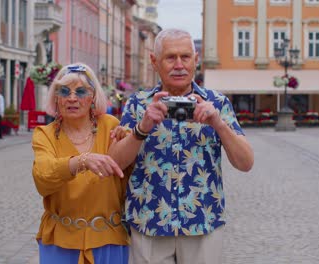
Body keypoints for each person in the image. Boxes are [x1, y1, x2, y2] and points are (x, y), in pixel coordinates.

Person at [108, 29, 254, 264]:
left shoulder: (217, 103)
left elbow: (246, 162)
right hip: (149, 224)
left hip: (202, 224)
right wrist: (142, 128)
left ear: (196, 59)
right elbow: (114, 162)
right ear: (154, 61)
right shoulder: (137, 104)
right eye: (170, 57)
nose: (179, 65)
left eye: (185, 57)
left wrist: (218, 123)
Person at [31, 62, 130, 264]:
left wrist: (131, 139)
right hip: (60, 242)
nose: (72, 98)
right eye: (64, 91)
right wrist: (81, 162)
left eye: (81, 91)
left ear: (93, 97)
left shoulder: (111, 126)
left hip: (107, 238)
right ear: (56, 98)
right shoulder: (45, 134)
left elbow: (132, 171)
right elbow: (43, 177)